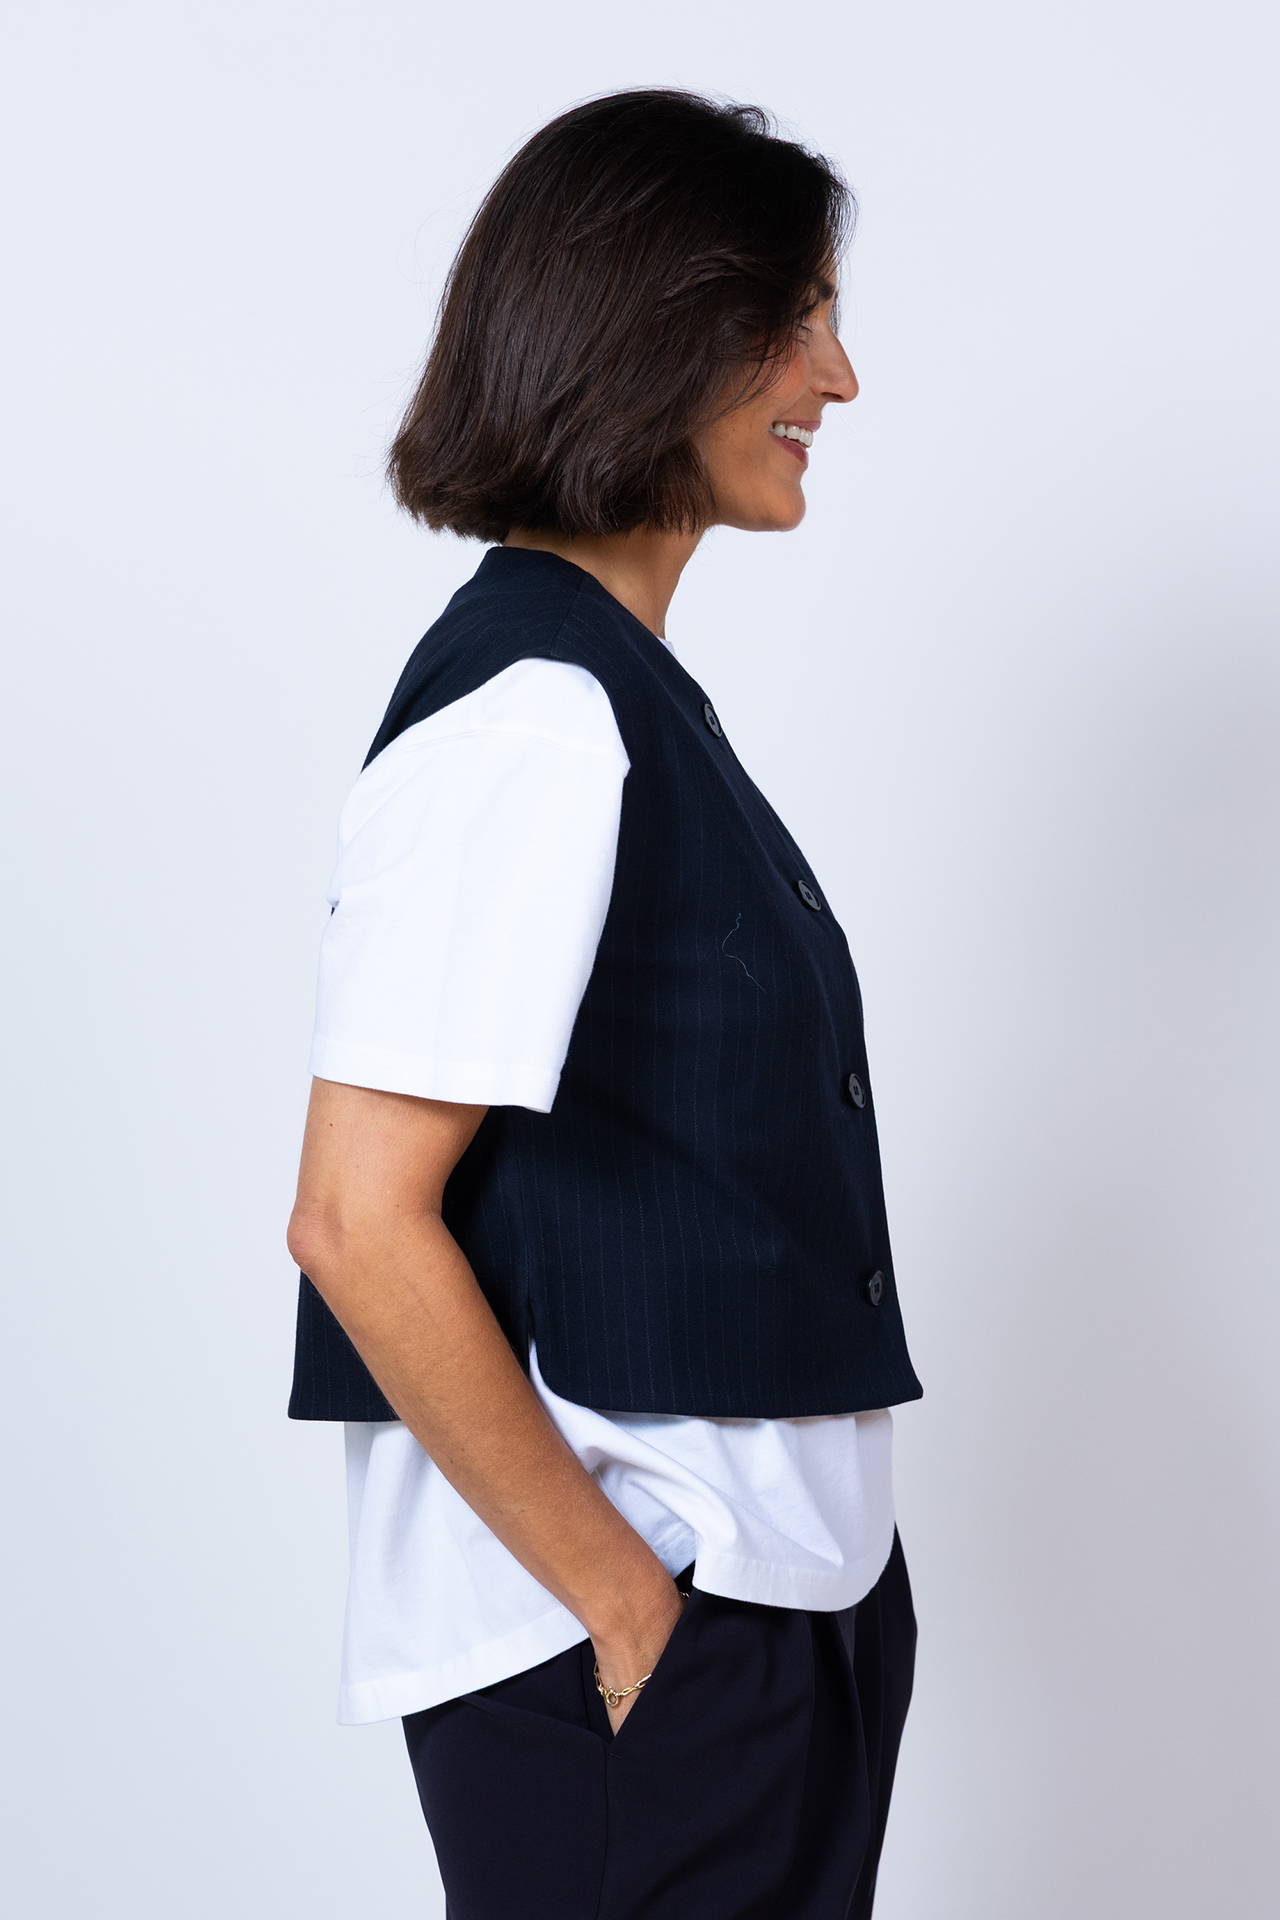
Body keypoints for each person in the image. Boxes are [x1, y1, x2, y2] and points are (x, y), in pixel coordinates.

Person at [286, 89, 923, 1920]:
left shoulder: (611, 698)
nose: (840, 378)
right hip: (637, 1640)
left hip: (754, 1613)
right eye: (795, 320)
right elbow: (357, 1219)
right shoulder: (536, 718)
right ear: (656, 331)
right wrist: (631, 1611)